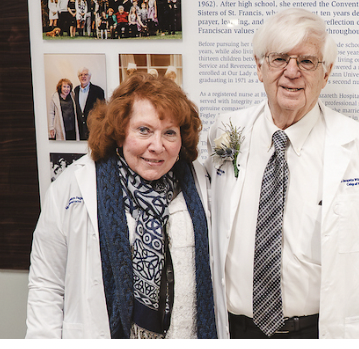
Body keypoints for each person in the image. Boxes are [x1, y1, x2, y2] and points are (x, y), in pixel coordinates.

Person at [207, 8, 359, 339]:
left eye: (307, 61)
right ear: (259, 67)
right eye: (280, 58)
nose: (292, 72)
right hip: (235, 330)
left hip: (317, 331)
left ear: (326, 72)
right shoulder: (226, 131)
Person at [26, 73, 218, 338]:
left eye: (169, 133)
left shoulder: (199, 183)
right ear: (119, 132)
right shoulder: (74, 185)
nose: (157, 146)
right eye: (144, 130)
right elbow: (46, 284)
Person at [74, 67, 106, 140]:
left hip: (93, 129)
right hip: (80, 131)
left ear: (90, 77)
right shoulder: (75, 90)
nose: (83, 76)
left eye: (86, 74)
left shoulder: (98, 91)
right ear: (78, 77)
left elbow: (102, 110)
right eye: (81, 75)